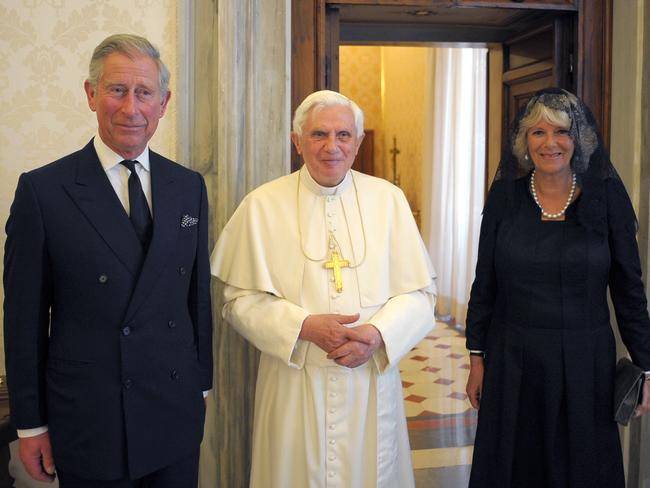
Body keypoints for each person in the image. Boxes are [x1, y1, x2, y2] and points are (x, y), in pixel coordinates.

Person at [4, 34, 213, 487]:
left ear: (164, 102)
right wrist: (31, 424)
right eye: (117, 90)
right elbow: (23, 319)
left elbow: (197, 298)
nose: (130, 108)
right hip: (89, 417)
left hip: (174, 410)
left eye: (144, 93)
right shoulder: (43, 192)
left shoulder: (189, 186)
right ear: (91, 94)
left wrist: (201, 386)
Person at [211, 90, 436, 487]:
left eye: (343, 135)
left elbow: (420, 295)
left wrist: (376, 334)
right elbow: (237, 300)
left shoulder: (389, 201)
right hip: (295, 382)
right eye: (318, 135)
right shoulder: (262, 205)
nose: (332, 147)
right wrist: (304, 326)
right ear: (297, 141)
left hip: (370, 378)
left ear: (358, 141)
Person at [465, 87, 650, 487]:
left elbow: (629, 291)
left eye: (561, 132)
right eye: (537, 132)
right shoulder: (505, 198)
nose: (550, 143)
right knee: (515, 467)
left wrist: (645, 366)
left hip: (587, 363)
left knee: (581, 469)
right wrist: (476, 358)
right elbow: (485, 284)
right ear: (523, 141)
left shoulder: (606, 199)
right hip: (513, 359)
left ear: (579, 139)